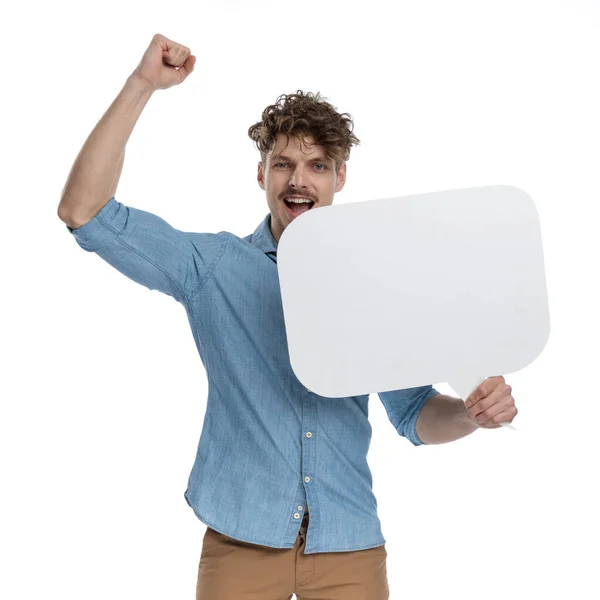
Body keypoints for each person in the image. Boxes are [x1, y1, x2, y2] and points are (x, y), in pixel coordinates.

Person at [58, 34, 518, 600]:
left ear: (339, 178)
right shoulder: (216, 267)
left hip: (349, 547)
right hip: (240, 544)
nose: (299, 181)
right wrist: (142, 85)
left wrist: (473, 414)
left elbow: (415, 413)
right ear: (262, 176)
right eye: (284, 165)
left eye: (317, 165)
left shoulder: (379, 286)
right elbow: (85, 213)